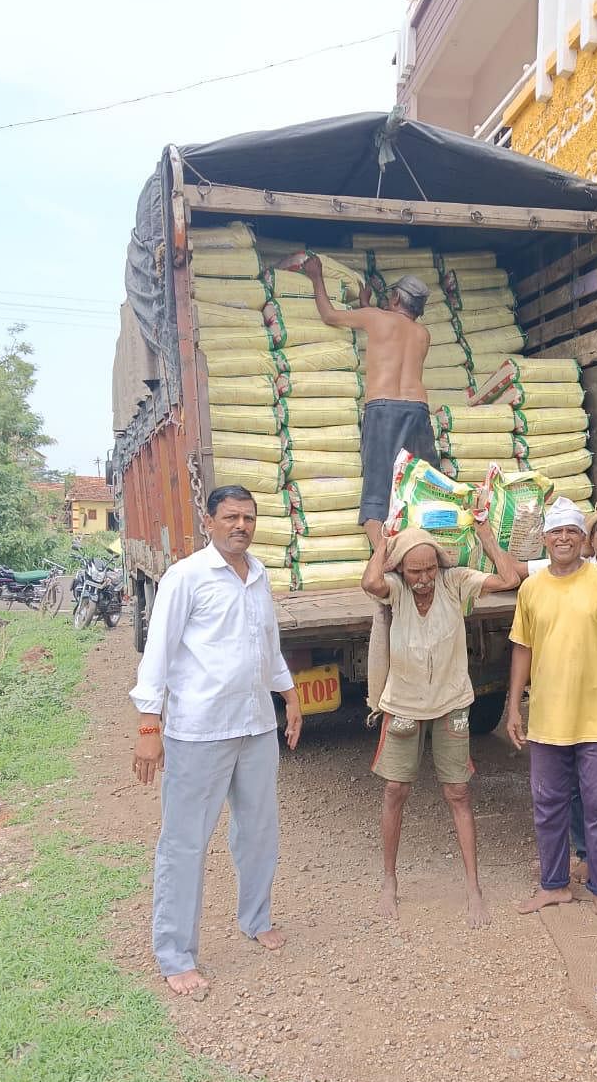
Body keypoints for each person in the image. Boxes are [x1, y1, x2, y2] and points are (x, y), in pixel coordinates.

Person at [130, 485, 302, 999]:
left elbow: (267, 647)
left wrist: (290, 697)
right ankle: (176, 954)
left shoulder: (260, 574)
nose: (241, 526)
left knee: (258, 832)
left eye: (248, 518)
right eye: (230, 517)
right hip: (199, 732)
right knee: (185, 842)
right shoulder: (186, 577)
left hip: (254, 726)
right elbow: (156, 655)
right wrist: (147, 728)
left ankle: (256, 918)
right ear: (208, 521)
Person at [362, 519, 520, 927]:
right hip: (403, 704)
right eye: (415, 571)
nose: (424, 579)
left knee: (458, 793)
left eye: (430, 569)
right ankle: (389, 882)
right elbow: (370, 583)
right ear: (401, 571)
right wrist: (385, 543)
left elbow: (507, 578)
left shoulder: (456, 583)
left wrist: (486, 537)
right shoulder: (395, 590)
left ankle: (473, 888)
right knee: (395, 790)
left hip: (451, 703)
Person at [507, 498, 597, 929]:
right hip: (548, 718)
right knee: (547, 804)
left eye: (571, 532)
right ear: (545, 540)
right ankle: (554, 885)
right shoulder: (532, 588)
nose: (564, 538)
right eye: (555, 532)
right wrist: (513, 705)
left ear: (582, 541)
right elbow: (523, 648)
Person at [304, 254, 436, 550]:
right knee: (418, 483)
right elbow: (392, 335)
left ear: (396, 297)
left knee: (378, 487)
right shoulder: (423, 334)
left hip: (383, 410)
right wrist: (368, 305)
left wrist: (316, 277)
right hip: (417, 410)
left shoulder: (376, 317)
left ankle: (383, 556)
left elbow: (330, 315)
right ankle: (422, 547)